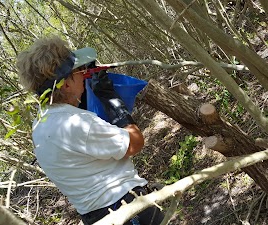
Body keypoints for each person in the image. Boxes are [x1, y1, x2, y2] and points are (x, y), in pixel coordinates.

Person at [16, 36, 164, 225]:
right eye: (78, 71)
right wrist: (112, 100)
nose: (84, 74)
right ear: (67, 84)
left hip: (98, 217)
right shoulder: (76, 123)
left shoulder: (40, 125)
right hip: (127, 210)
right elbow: (135, 143)